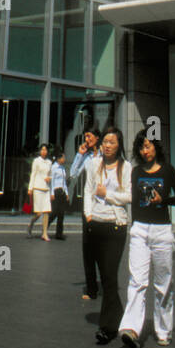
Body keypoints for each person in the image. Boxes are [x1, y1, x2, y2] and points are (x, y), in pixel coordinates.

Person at [119, 131, 175, 348]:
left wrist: (163, 199)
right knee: (137, 281)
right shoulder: (136, 172)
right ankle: (131, 329)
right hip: (139, 229)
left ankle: (163, 330)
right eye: (141, 147)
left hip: (162, 232)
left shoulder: (168, 171)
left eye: (148, 146)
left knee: (163, 284)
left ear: (156, 147)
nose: (144, 151)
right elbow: (128, 195)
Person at [84, 127, 132, 344]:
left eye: (112, 142)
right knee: (106, 277)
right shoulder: (94, 164)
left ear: (119, 144)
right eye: (105, 141)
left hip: (116, 226)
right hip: (96, 225)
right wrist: (88, 214)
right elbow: (88, 189)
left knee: (110, 275)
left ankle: (107, 327)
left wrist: (108, 195)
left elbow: (128, 196)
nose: (107, 145)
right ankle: (120, 317)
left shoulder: (126, 167)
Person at [70, 127, 101, 298]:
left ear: (97, 137)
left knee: (102, 247)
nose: (87, 139)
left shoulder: (106, 155)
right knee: (88, 248)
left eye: (89, 136)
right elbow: (73, 173)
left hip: (104, 204)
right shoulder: (87, 157)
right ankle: (91, 288)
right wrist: (79, 154)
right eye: (85, 136)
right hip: (89, 206)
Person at [27, 143, 52, 240]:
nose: (44, 151)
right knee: (38, 213)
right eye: (42, 149)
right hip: (37, 187)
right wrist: (30, 188)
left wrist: (49, 178)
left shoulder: (49, 162)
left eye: (45, 150)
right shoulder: (36, 161)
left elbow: (50, 174)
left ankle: (44, 233)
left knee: (46, 211)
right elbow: (33, 174)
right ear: (40, 151)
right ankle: (31, 224)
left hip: (46, 189)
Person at [49, 147, 69, 240]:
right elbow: (52, 181)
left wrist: (67, 193)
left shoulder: (62, 168)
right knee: (54, 212)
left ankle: (59, 233)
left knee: (61, 213)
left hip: (62, 191)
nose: (64, 159)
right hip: (56, 191)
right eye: (63, 158)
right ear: (58, 158)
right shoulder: (54, 167)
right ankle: (46, 226)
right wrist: (52, 193)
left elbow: (64, 182)